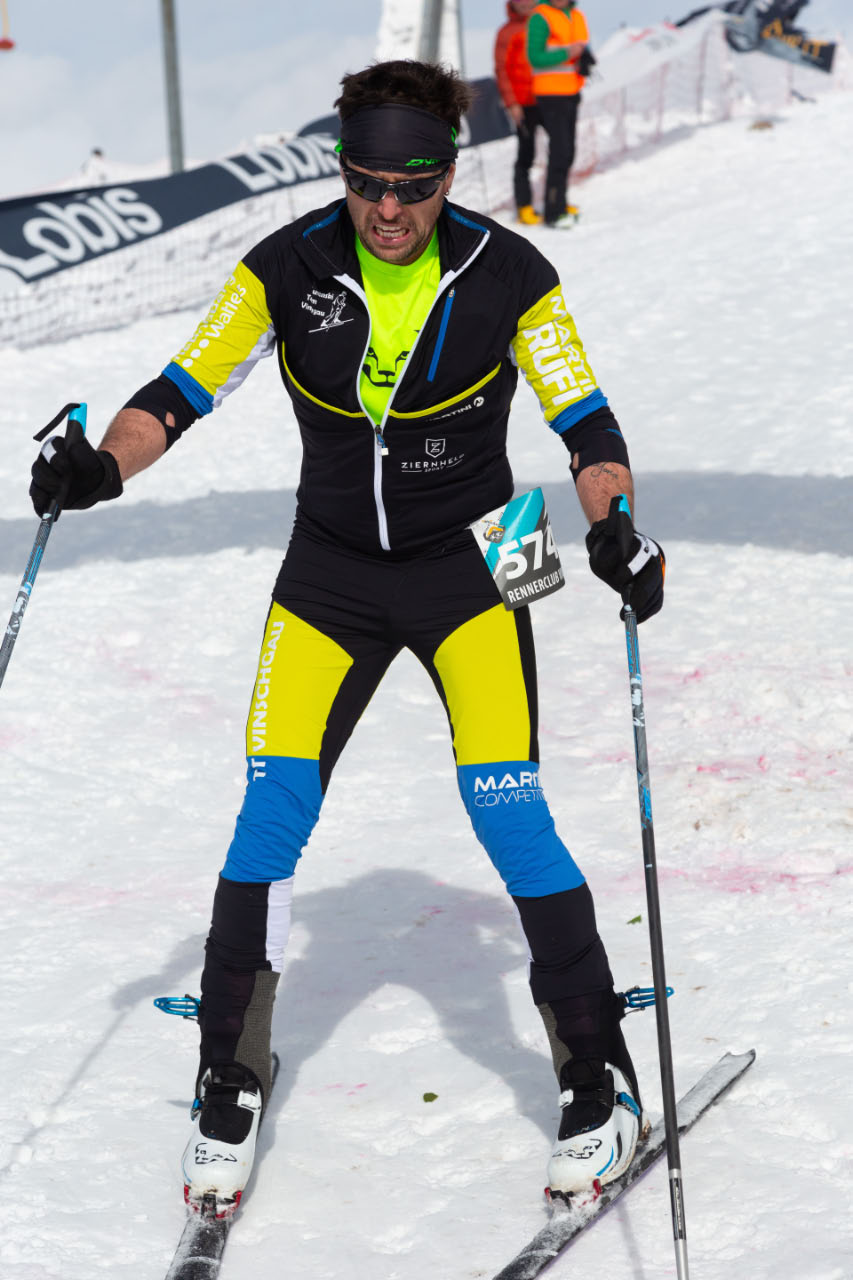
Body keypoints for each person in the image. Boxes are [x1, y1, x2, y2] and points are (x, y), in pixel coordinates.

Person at [29, 59, 665, 1215]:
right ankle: (230, 1069)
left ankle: (598, 1072)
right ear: (343, 171)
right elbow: (177, 390)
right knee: (269, 809)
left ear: (448, 175)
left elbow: (587, 421)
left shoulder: (512, 272)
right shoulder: (283, 266)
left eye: (411, 186)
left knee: (508, 806)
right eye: (366, 183)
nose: (386, 209)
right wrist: (101, 467)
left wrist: (615, 522)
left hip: (487, 553)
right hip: (329, 564)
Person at [527, 0, 593, 227]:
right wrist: (567, 52)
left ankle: (561, 204)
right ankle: (553, 212)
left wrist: (585, 58)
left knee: (568, 152)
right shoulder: (541, 16)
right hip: (550, 93)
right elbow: (535, 57)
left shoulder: (576, 15)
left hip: (571, 91)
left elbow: (583, 46)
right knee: (560, 151)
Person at [494, 0, 542, 225]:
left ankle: (556, 203)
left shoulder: (546, 24)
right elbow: (501, 70)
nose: (525, 3)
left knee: (562, 148)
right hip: (523, 104)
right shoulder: (506, 32)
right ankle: (524, 206)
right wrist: (512, 103)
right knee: (526, 153)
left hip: (549, 98)